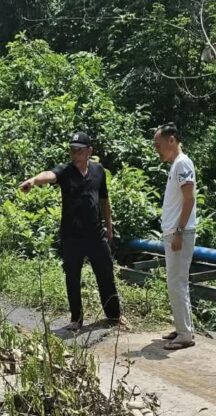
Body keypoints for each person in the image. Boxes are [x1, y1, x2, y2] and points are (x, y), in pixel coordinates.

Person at [19, 131, 127, 332]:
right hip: (72, 236)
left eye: (78, 150)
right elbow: (49, 175)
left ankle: (114, 316)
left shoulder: (98, 171)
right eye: (72, 150)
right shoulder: (66, 171)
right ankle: (76, 319)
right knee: (72, 277)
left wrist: (109, 227)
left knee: (105, 273)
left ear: (89, 151)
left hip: (96, 234)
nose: (74, 154)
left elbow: (104, 199)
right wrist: (33, 180)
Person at [154, 122, 197, 350]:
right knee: (177, 282)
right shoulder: (177, 165)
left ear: (172, 140)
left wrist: (179, 231)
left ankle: (185, 334)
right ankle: (183, 328)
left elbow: (189, 199)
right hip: (174, 232)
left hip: (180, 233)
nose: (156, 149)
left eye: (158, 145)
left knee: (176, 283)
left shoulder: (182, 164)